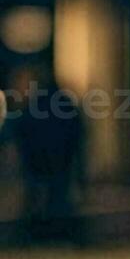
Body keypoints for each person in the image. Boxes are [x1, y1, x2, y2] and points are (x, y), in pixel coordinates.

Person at [12, 82, 85, 244]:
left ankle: (38, 234)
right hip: (59, 161)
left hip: (41, 161)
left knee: (39, 197)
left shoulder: (34, 107)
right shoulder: (62, 104)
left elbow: (22, 131)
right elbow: (77, 131)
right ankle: (58, 233)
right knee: (57, 196)